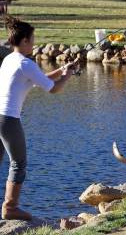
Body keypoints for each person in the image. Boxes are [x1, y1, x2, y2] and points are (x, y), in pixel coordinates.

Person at [0, 15, 77, 220]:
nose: (34, 44)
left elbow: (37, 81)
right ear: (24, 41)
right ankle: (10, 208)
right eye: (33, 39)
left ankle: (9, 207)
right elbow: (53, 89)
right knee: (18, 163)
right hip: (8, 120)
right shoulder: (25, 63)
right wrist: (67, 76)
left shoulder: (9, 58)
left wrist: (61, 70)